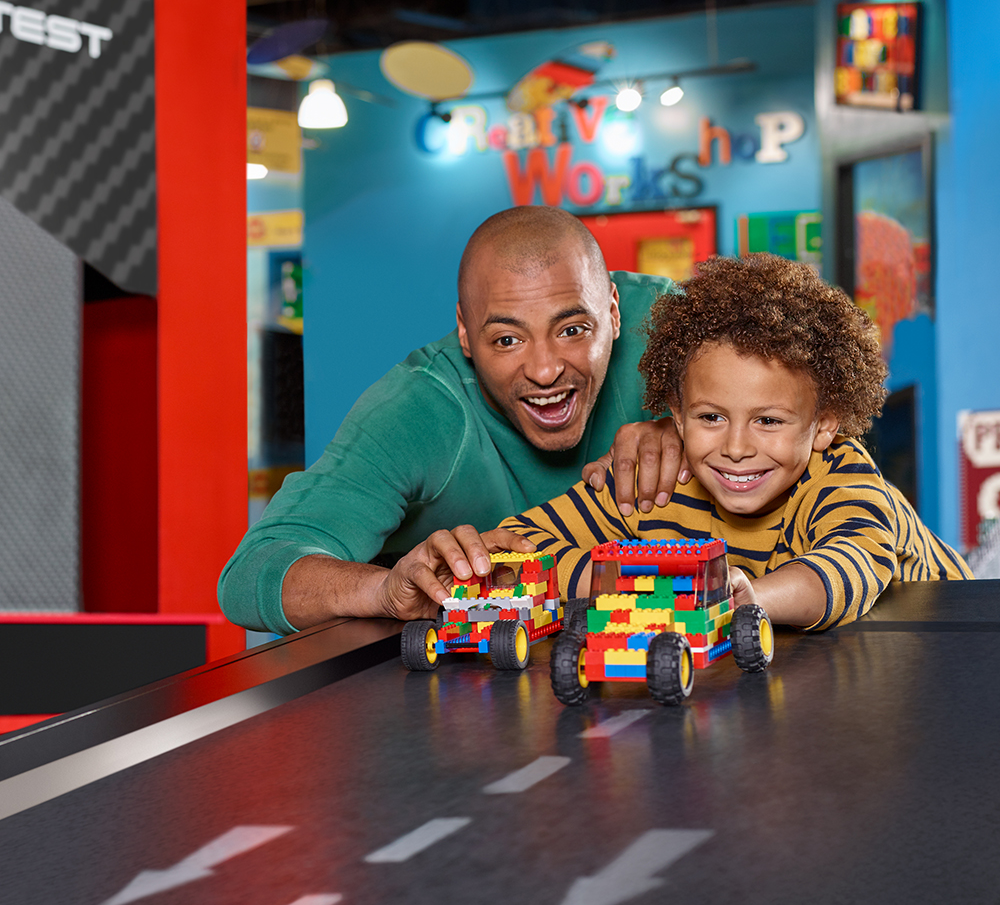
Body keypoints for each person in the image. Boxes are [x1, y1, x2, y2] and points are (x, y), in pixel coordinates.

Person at [410, 253, 971, 631]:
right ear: (675, 416)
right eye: (710, 417)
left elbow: (846, 573)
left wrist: (739, 597)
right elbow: (524, 545)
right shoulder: (663, 481)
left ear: (824, 423)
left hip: (964, 629)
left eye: (769, 421)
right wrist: (474, 559)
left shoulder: (844, 480)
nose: (735, 447)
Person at [219, 206, 688, 634]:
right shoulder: (418, 408)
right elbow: (250, 574)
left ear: (613, 312)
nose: (545, 370)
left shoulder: (671, 327)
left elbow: (760, 401)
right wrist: (383, 590)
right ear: (465, 333)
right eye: (507, 339)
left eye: (572, 330)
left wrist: (697, 424)